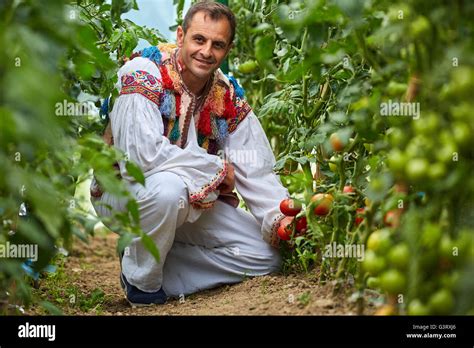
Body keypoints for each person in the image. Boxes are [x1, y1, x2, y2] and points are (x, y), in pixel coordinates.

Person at [91, 0, 289, 306]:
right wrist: (217, 170)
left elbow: (257, 169)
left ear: (228, 49)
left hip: (193, 201)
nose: (207, 51)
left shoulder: (227, 95)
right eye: (199, 39)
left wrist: (281, 218)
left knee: (266, 257)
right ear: (181, 36)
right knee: (169, 189)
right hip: (124, 195)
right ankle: (142, 282)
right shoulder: (143, 72)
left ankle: (159, 269)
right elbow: (141, 160)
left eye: (218, 44)